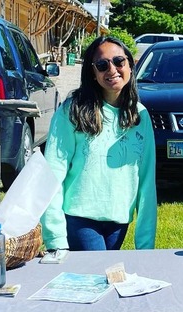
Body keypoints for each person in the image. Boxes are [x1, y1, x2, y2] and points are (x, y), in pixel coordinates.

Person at [40, 36, 157, 251]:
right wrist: (55, 237)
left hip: (119, 221)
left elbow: (146, 181)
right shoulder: (72, 111)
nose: (112, 69)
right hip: (79, 218)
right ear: (93, 73)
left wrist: (145, 245)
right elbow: (53, 173)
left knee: (105, 280)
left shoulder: (140, 116)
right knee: (96, 276)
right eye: (102, 65)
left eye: (119, 61)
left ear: (130, 65)